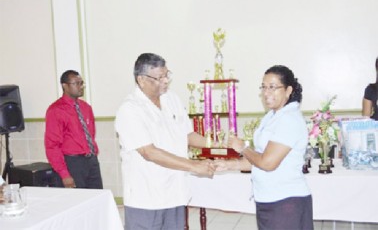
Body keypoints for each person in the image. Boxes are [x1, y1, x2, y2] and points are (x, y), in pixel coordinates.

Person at [115, 53, 215, 230]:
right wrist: (193, 165)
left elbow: (187, 135)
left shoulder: (172, 99)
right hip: (146, 198)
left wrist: (215, 144)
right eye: (159, 77)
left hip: (175, 193)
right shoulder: (130, 109)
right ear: (141, 80)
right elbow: (149, 152)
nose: (166, 81)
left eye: (167, 75)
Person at [215, 65, 313, 230]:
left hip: (286, 201)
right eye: (264, 87)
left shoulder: (289, 119)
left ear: (288, 90)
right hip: (268, 199)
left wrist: (243, 147)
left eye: (273, 87)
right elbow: (259, 158)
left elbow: (267, 163)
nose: (266, 92)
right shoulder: (272, 116)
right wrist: (230, 164)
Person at [44, 70, 103, 189]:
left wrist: (93, 156)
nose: (81, 87)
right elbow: (52, 145)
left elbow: (91, 134)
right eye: (76, 83)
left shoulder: (86, 107)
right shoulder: (56, 110)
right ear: (65, 86)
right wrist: (64, 174)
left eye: (82, 83)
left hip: (91, 161)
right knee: (77, 201)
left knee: (96, 199)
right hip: (72, 163)